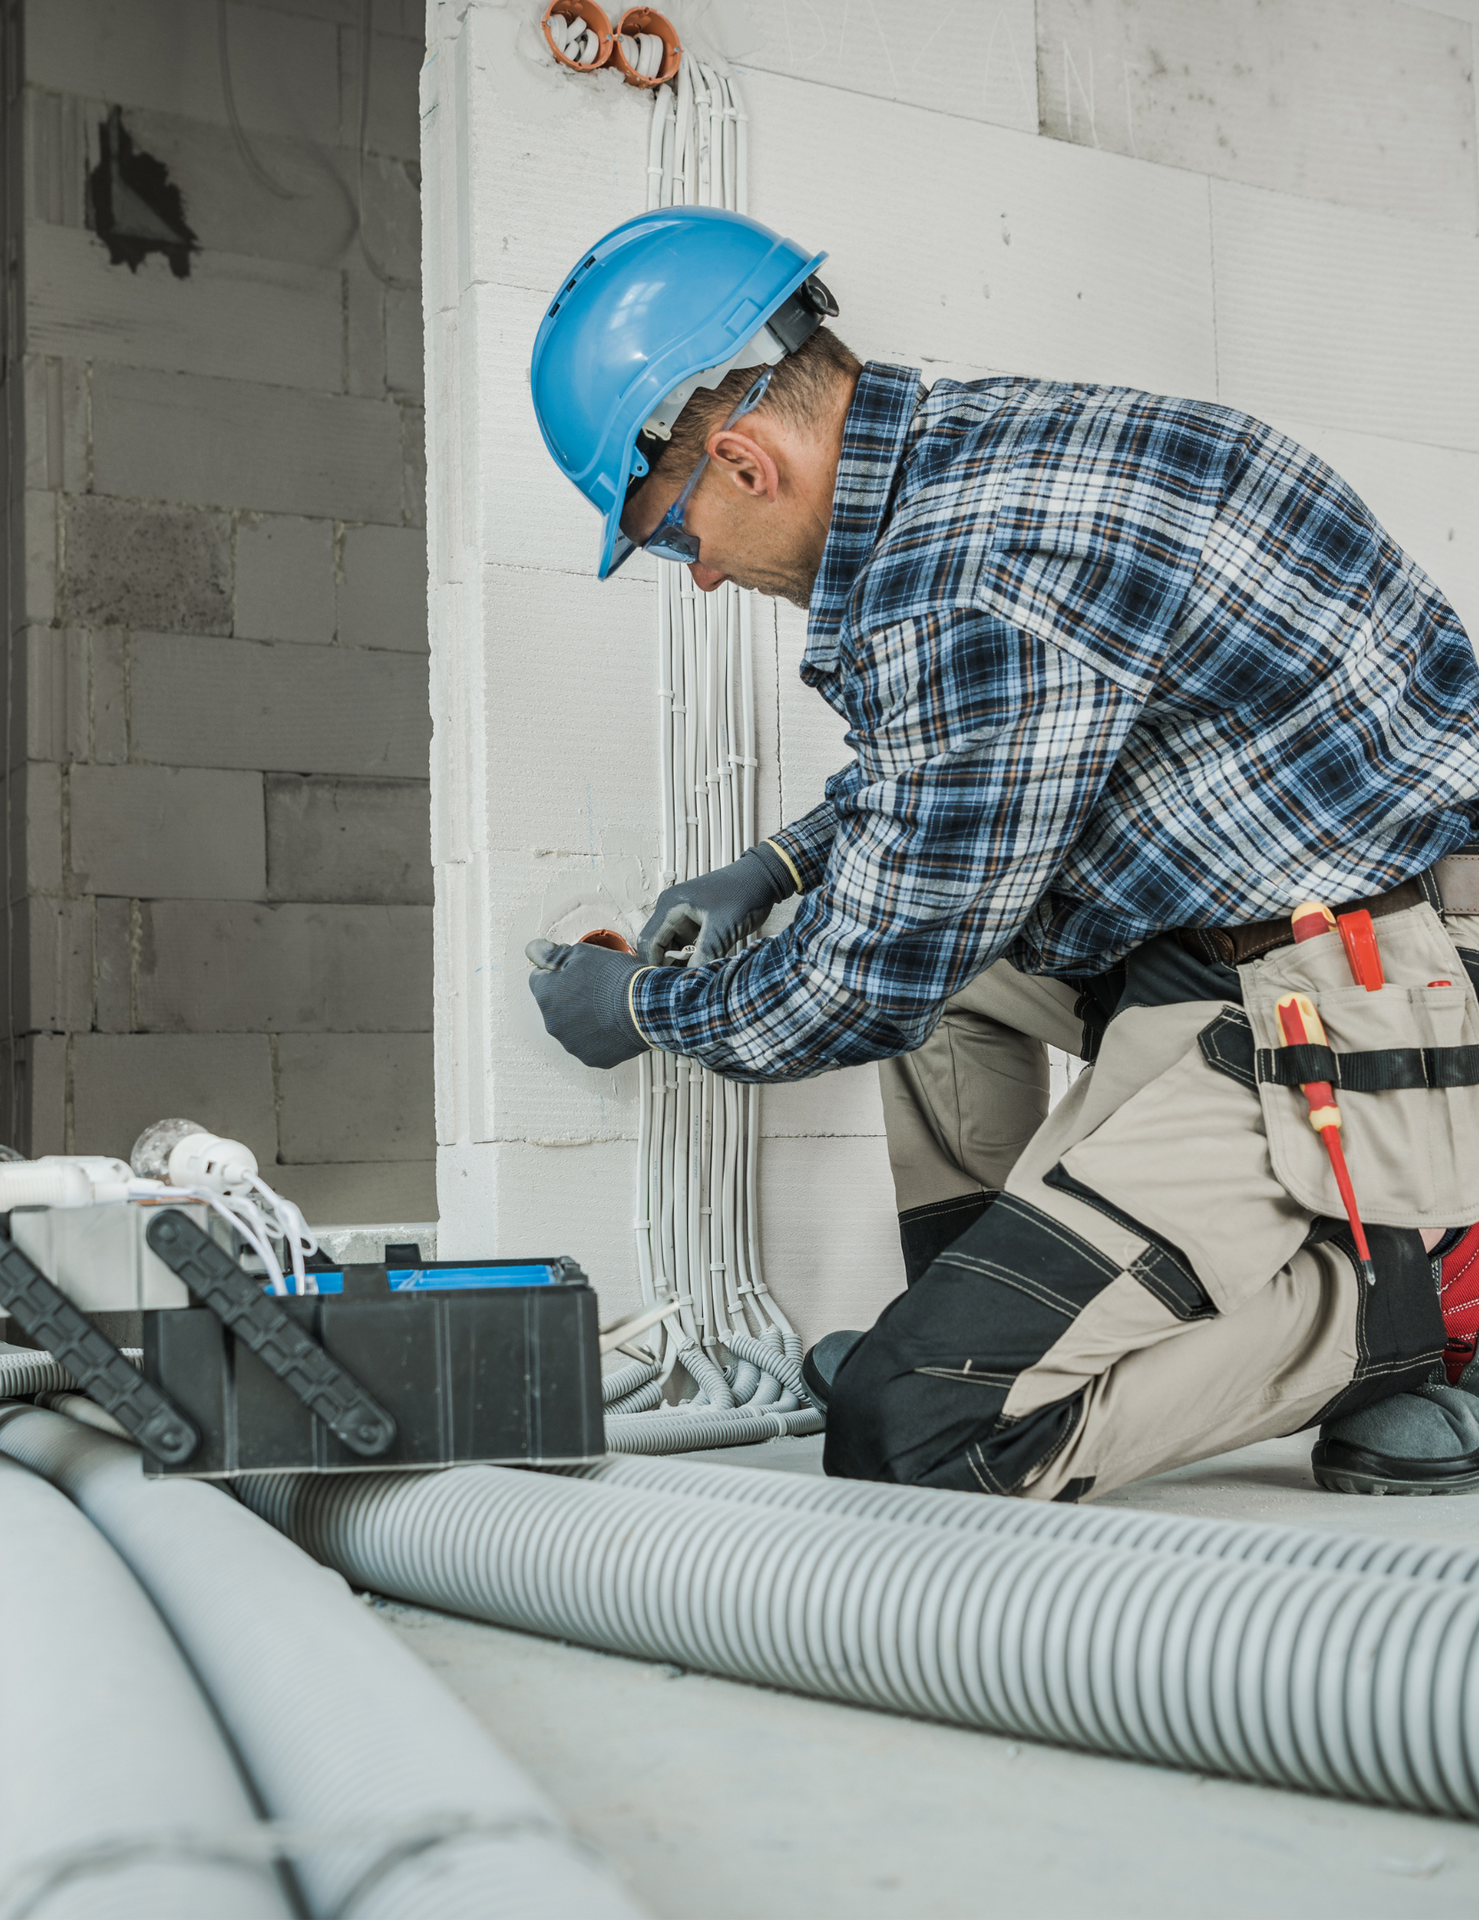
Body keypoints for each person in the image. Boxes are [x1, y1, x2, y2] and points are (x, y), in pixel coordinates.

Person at [523, 206, 1479, 1501]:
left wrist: (640, 1006)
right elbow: (969, 771)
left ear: (746, 461)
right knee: (950, 964)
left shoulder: (965, 576)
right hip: (1251, 919)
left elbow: (870, 979)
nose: (694, 578)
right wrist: (782, 868)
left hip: (1367, 980)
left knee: (913, 1435)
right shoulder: (965, 449)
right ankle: (978, 1327)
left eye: (675, 538)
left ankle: (1407, 1316)